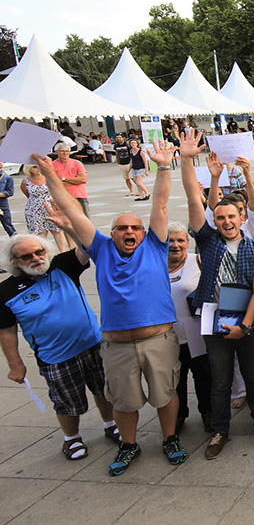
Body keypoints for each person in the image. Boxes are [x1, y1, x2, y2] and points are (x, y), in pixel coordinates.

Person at [34, 141, 188, 476]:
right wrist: (49, 174)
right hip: (117, 345)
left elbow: (159, 207)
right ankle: (129, 445)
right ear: (112, 233)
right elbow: (74, 212)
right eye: (122, 228)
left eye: (135, 227)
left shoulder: (155, 247)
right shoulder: (101, 250)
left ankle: (170, 439)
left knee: (165, 395)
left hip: (158, 340)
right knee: (123, 401)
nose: (130, 231)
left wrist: (163, 167)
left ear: (143, 233)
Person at [178, 130, 254, 460]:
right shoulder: (208, 241)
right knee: (220, 379)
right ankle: (221, 429)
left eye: (231, 216)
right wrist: (189, 163)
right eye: (219, 217)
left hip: (246, 322)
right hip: (214, 320)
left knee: (253, 374)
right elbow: (196, 202)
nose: (225, 221)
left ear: (241, 218)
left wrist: (245, 326)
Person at [0, 233, 118, 461]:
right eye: (27, 256)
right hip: (55, 357)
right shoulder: (6, 292)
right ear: (14, 262)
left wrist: (68, 225)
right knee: (67, 402)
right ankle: (71, 438)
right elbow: (6, 331)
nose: (35, 258)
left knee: (104, 389)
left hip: (93, 344)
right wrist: (15, 364)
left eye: (39, 251)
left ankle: (111, 424)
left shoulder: (63, 266)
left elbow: (88, 244)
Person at [166, 222, 212, 434]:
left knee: (202, 374)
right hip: (167, 333)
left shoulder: (198, 262)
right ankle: (179, 414)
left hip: (194, 330)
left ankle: (207, 412)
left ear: (188, 242)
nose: (175, 245)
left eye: (180, 240)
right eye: (170, 240)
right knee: (176, 378)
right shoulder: (155, 266)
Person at [20, 165, 68, 252]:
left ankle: (63, 252)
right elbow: (27, 194)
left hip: (50, 206)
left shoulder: (48, 178)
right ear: (29, 169)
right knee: (41, 233)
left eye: (39, 166)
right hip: (34, 209)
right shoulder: (25, 181)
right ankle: (44, 253)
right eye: (35, 167)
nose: (38, 169)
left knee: (57, 230)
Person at [51, 143, 89, 217]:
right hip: (62, 197)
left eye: (67, 151)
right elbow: (54, 183)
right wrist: (75, 180)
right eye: (62, 151)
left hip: (79, 195)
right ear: (56, 152)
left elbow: (83, 179)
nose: (65, 153)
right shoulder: (52, 165)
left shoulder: (77, 163)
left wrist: (63, 178)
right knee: (66, 221)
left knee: (84, 220)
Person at [0, 165, 16, 236]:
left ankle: (17, 242)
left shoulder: (7, 177)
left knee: (8, 226)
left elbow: (10, 192)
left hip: (2, 205)